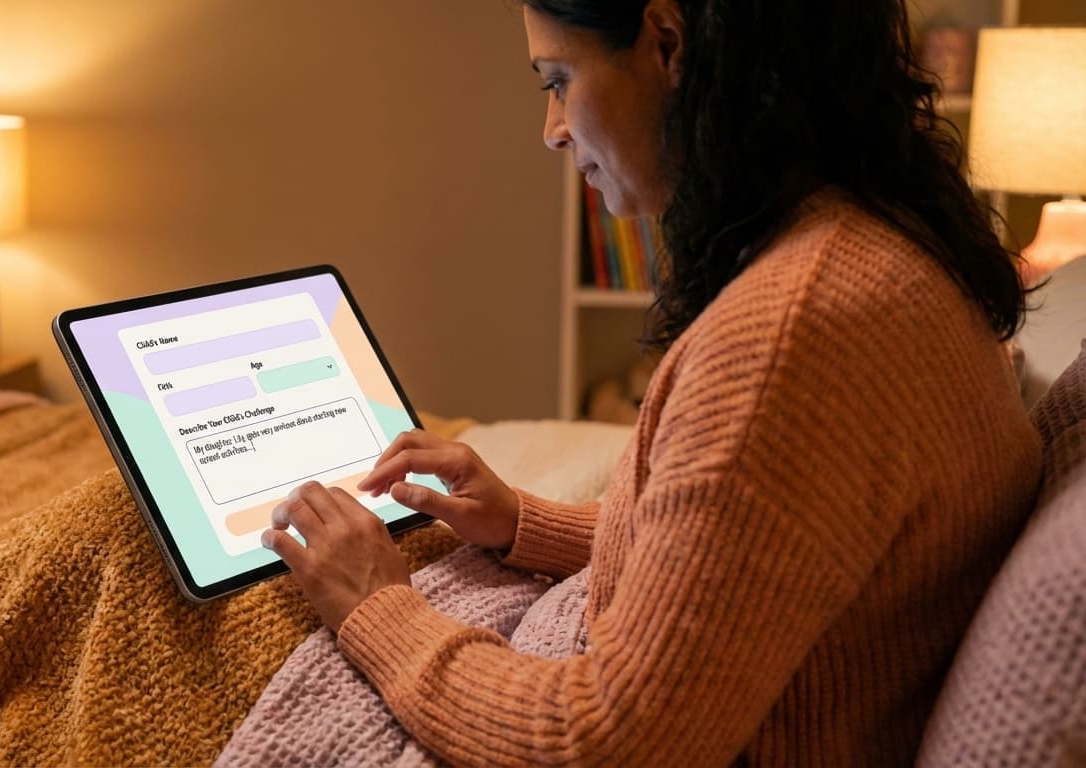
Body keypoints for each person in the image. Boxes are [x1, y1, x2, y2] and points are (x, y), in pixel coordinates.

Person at [260, 0, 1043, 764]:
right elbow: (754, 564)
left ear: (667, 43)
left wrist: (377, 608)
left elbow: (609, 741)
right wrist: (523, 523)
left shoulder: (791, 335)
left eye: (558, 80)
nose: (553, 131)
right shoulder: (881, 245)